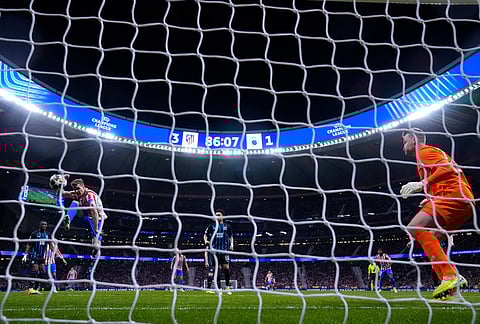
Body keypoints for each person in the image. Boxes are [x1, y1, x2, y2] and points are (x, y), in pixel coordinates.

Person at [400, 128, 473, 299]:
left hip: (453, 195)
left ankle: (450, 276)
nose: (403, 146)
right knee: (432, 236)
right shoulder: (428, 154)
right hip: (461, 198)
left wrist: (421, 183)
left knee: (413, 227)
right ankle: (449, 285)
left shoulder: (424, 152)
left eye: (404, 142)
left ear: (414, 140)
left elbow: (447, 168)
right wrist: (429, 197)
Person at [59, 177, 107, 248]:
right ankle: (68, 220)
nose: (76, 191)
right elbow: (63, 194)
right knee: (75, 202)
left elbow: (94, 212)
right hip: (85, 216)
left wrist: (96, 228)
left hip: (97, 219)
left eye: (78, 188)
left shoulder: (90, 195)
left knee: (96, 244)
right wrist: (60, 184)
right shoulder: (77, 193)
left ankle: (95, 251)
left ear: (83, 187)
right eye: (75, 189)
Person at [204, 209, 234, 294]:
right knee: (217, 269)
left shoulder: (227, 226)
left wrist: (232, 244)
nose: (216, 216)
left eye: (218, 215)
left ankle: (228, 287)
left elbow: (231, 236)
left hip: (224, 251)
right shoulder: (211, 226)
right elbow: (205, 235)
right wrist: (206, 241)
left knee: (226, 268)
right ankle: (219, 288)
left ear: (222, 216)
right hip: (214, 251)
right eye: (216, 215)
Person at [22, 219, 55, 295]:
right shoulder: (34, 234)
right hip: (34, 255)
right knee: (35, 269)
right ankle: (30, 288)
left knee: (43, 271)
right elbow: (29, 244)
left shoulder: (48, 235)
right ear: (40, 225)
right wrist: (25, 254)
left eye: (45, 224)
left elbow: (50, 244)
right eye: (42, 224)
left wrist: (53, 251)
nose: (44, 225)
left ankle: (35, 288)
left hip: (42, 256)